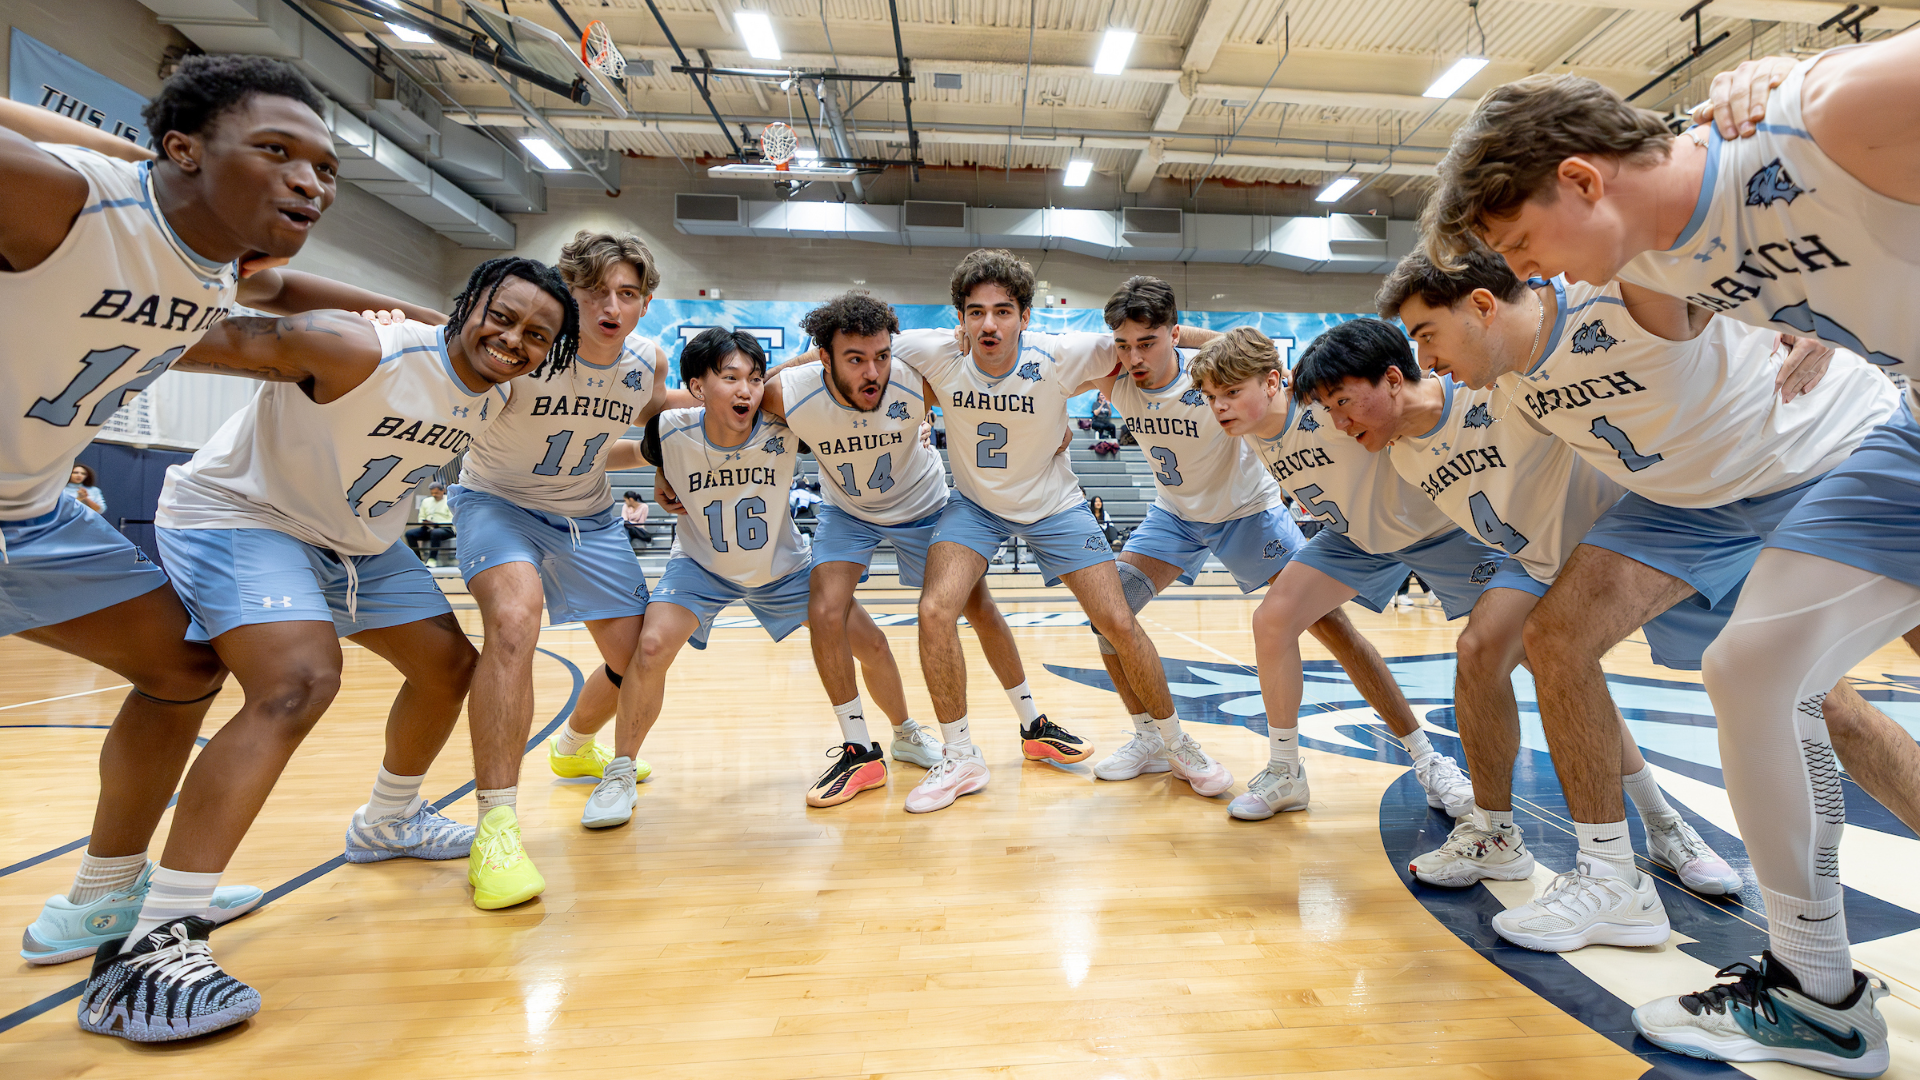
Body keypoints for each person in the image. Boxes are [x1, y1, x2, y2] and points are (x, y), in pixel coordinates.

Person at [1424, 41, 1920, 1071]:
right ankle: (1817, 993)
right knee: (1752, 673)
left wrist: (1822, 56)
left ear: (1580, 179)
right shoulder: (1632, 260)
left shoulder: (1810, 118)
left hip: (1831, 450)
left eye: (1521, 242)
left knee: (1798, 687)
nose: (1523, 275)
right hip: (1893, 437)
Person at [0, 54, 447, 1041]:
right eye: (279, 153)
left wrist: (442, 331)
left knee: (181, 669)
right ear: (182, 151)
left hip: (28, 513)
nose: (310, 182)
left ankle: (108, 897)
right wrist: (122, 147)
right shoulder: (67, 199)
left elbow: (384, 318)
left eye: (325, 168)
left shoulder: (229, 262)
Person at [102, 256, 576, 1040]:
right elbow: (228, 335)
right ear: (462, 307)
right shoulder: (367, 349)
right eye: (502, 316)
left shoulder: (499, 400)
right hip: (242, 514)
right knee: (296, 683)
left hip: (357, 540)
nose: (514, 339)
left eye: (535, 335)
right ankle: (161, 935)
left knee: (448, 665)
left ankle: (388, 822)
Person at [1292, 316, 1748, 919]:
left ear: (1394, 379)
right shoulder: (1400, 456)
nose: (1341, 423)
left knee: (1775, 686)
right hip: (1534, 560)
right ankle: (1495, 833)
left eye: (1344, 403)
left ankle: (1665, 827)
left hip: (1625, 541)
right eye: (1329, 411)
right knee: (1480, 650)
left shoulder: (1493, 392)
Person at [1078, 276, 1474, 813]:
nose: (1135, 356)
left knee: (1335, 631)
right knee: (1109, 615)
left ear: (1174, 335)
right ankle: (1151, 737)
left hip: (1249, 514)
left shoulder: (1243, 384)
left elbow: (1248, 354)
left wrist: (1184, 337)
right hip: (1175, 516)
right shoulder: (1118, 380)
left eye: (1148, 342)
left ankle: (1426, 758)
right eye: (1123, 346)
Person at [888, 249, 1221, 813]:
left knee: (1116, 619)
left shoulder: (1062, 354)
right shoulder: (933, 352)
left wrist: (1226, 348)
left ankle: (1176, 744)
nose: (989, 324)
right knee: (934, 609)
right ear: (960, 319)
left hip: (1056, 506)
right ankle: (961, 754)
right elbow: (849, 349)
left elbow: (1161, 335)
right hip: (975, 506)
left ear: (1024, 316)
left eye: (1002, 310)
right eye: (975, 312)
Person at [586, 328, 909, 826]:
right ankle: (620, 773)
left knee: (873, 644)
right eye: (730, 377)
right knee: (648, 650)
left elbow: (813, 378)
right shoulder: (669, 429)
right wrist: (646, 473)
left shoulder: (783, 426)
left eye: (755, 379)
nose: (746, 390)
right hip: (701, 567)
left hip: (783, 569)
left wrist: (817, 349)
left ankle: (905, 732)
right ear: (697, 387)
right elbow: (632, 454)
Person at [444, 231, 670, 910]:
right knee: (515, 619)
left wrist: (676, 467)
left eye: (627, 293)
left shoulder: (646, 364)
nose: (611, 305)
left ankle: (574, 747)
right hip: (499, 503)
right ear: (568, 294)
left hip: (590, 514)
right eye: (594, 290)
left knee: (640, 658)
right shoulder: (531, 350)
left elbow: (649, 439)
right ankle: (497, 825)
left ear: (644, 303)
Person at [756, 291, 1052, 807]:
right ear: (823, 358)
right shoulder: (788, 393)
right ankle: (858, 748)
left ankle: (1034, 724)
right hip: (847, 512)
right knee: (825, 609)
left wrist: (1053, 428)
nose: (873, 372)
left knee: (977, 606)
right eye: (855, 359)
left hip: (923, 505)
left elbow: (995, 394)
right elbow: (726, 408)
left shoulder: (919, 378)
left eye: (881, 356)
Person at [406, 482, 454, 564]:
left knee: (435, 532)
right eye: (432, 493)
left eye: (436, 493)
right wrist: (425, 522)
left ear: (442, 491)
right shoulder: (426, 501)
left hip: (445, 528)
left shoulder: (449, 501)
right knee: (409, 534)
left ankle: (432, 559)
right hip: (428, 528)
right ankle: (418, 559)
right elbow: (421, 517)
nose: (434, 495)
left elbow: (452, 519)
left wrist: (437, 524)